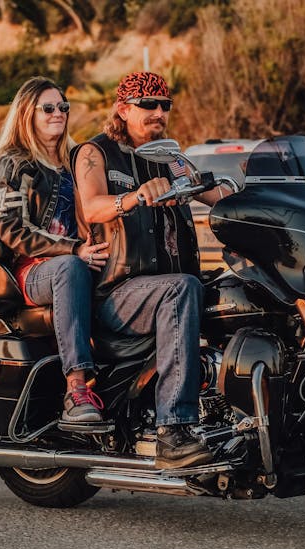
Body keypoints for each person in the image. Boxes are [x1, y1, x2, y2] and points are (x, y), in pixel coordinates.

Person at [72, 71, 227, 469]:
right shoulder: (97, 152)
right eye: (148, 104)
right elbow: (91, 207)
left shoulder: (171, 157)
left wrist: (253, 199)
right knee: (181, 289)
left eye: (165, 105)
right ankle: (173, 431)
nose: (159, 112)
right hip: (117, 294)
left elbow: (215, 193)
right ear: (123, 109)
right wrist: (135, 197)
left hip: (167, 286)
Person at [0, 76, 109, 425]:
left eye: (64, 107)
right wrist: (73, 249)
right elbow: (13, 230)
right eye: (49, 108)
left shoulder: (76, 159)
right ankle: (76, 388)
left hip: (82, 259)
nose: (59, 113)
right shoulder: (16, 162)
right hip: (34, 270)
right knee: (70, 268)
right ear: (28, 113)